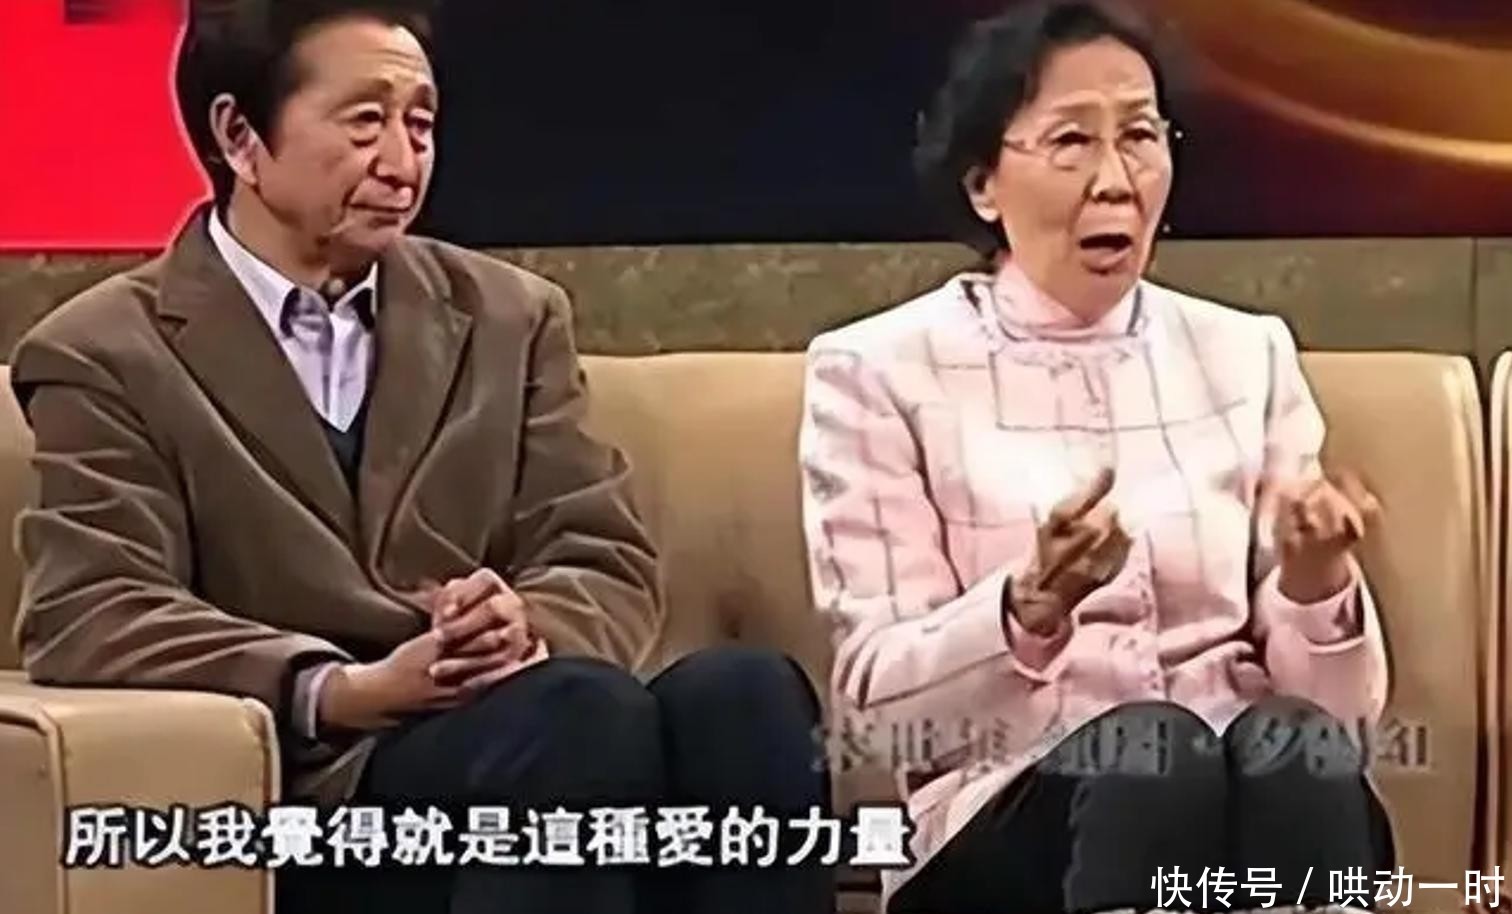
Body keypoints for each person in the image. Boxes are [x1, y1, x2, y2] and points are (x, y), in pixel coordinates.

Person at [8, 2, 832, 913]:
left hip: (533, 726)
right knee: (576, 716)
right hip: (318, 790)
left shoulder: (509, 317)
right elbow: (94, 607)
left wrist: (522, 627)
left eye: (422, 124)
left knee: (742, 695)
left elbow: (599, 550)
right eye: (366, 123)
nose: (403, 164)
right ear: (239, 134)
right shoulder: (105, 351)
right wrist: (339, 689)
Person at [797, 1, 1394, 912]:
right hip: (1002, 826)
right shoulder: (877, 371)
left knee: (1295, 748)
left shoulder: (1249, 354)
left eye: (1141, 136)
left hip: (1240, 807)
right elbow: (884, 714)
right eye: (1072, 141)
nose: (1116, 181)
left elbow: (1346, 723)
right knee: (1152, 752)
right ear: (983, 185)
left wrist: (1315, 584)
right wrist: (1028, 608)